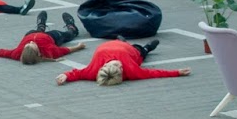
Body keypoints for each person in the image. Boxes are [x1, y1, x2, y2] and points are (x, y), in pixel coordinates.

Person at [56, 38, 188, 86]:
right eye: (120, 68)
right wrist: (177, 72)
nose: (119, 64)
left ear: (104, 66)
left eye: (115, 65)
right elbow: (152, 73)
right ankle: (143, 46)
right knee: (140, 53)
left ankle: (133, 43)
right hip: (125, 49)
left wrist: (65, 75)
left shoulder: (92, 71)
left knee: (139, 51)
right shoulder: (131, 71)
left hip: (124, 48)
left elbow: (77, 73)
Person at [0, 12, 86, 64]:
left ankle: (41, 25)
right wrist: (79, 47)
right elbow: (66, 50)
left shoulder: (17, 53)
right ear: (38, 53)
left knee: (35, 32)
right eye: (32, 45)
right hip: (50, 37)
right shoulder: (50, 51)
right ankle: (72, 27)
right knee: (67, 35)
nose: (31, 42)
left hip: (30, 33)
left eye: (28, 45)